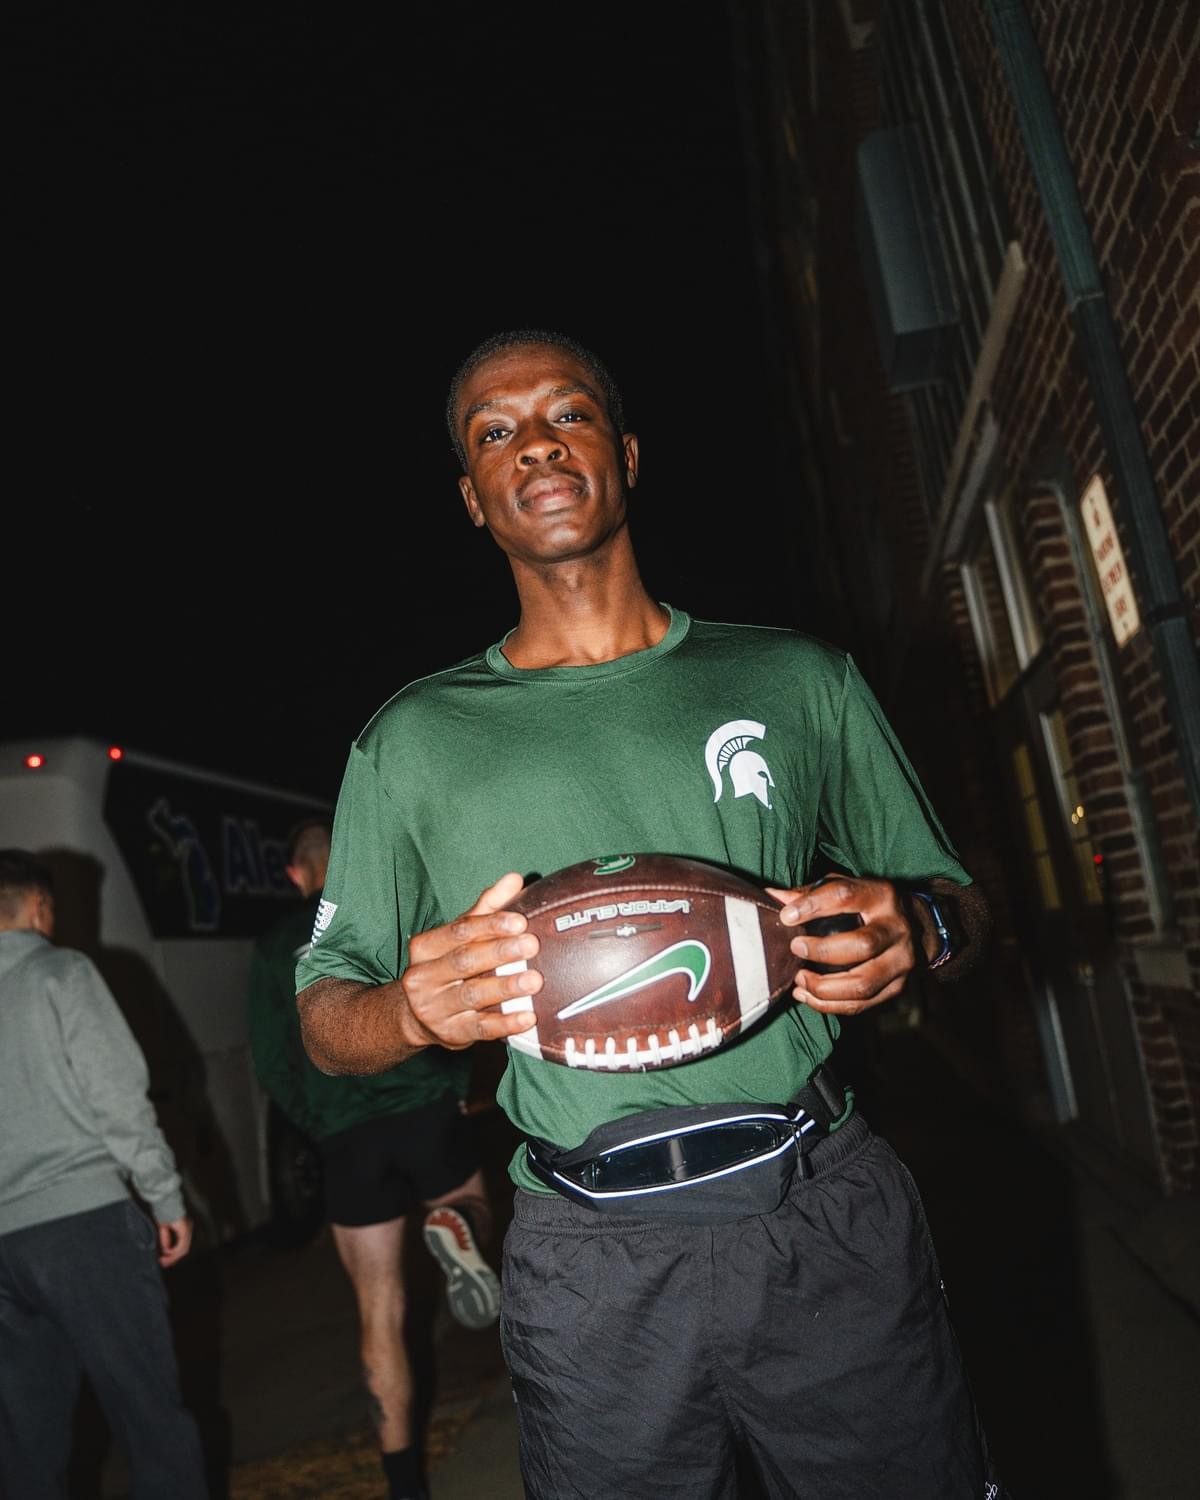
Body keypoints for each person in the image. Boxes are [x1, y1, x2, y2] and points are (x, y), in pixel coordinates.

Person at [295, 328, 1006, 1500]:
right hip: (592, 1255)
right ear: (473, 498)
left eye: (565, 414)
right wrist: (410, 1014)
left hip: (820, 1206)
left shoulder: (794, 677)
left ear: (623, 453)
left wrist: (916, 931)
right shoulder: (412, 740)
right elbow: (326, 1015)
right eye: (494, 431)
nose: (534, 443)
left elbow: (961, 905)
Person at [247, 814, 500, 1500]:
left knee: (377, 1313)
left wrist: (319, 1119)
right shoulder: (385, 915)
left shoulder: (274, 946)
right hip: (420, 1110)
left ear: (296, 872)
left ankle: (403, 1482)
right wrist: (450, 1089)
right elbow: (445, 1007)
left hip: (344, 1139)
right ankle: (461, 1229)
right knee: (471, 1202)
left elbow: (271, 1058)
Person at [0, 848, 208, 1500]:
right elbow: (116, 1096)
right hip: (84, 1229)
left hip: (4, 1250)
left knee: (27, 1451)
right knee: (153, 1425)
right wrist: (165, 1198)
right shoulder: (61, 972)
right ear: (37, 906)